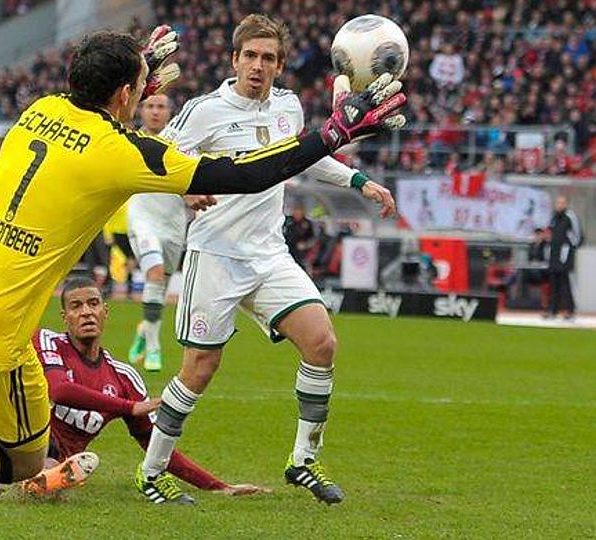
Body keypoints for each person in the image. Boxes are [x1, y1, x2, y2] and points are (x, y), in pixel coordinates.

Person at [0, 26, 407, 540]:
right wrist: (331, 133)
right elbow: (245, 174)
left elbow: (95, 119)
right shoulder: (120, 151)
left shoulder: (41, 108)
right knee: (19, 459)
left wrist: (134, 81)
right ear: (126, 94)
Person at [137, 14, 402, 506]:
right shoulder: (203, 110)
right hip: (214, 255)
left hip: (268, 254)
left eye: (268, 58)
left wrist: (360, 182)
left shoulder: (288, 106)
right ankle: (152, 472)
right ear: (234, 59)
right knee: (199, 369)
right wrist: (186, 191)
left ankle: (302, 461)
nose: (257, 66)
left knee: (322, 343)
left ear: (280, 66)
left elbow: (307, 156)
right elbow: (154, 160)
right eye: (250, 56)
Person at [19, 278, 268, 498]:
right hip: (20, 437)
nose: (86, 313)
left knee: (56, 461)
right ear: (65, 317)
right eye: (76, 306)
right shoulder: (46, 341)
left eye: (93, 304)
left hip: (57, 459)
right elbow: (60, 390)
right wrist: (130, 407)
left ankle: (43, 480)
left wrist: (218, 487)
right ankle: (36, 473)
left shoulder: (124, 379)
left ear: (105, 312)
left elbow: (156, 447)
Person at [126, 93, 190, 371]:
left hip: (174, 223)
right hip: (142, 219)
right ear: (141, 110)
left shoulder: (183, 144)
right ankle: (154, 349)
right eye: (150, 106)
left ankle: (144, 331)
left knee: (159, 290)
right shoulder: (130, 143)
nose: (155, 111)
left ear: (169, 112)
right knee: (153, 274)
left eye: (161, 106)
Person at [546, 195, 583, 319]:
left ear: (566, 204)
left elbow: (578, 236)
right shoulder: (553, 218)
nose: (559, 205)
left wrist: (568, 248)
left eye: (562, 203)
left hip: (565, 256)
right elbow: (550, 234)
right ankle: (553, 310)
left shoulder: (570, 217)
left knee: (565, 284)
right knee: (554, 284)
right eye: (557, 202)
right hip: (553, 255)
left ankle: (569, 310)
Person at [283, 203, 317, 270]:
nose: (297, 215)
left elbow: (312, 238)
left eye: (299, 213)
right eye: (295, 213)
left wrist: (306, 245)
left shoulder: (306, 223)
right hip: (288, 248)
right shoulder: (288, 221)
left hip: (300, 251)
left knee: (300, 266)